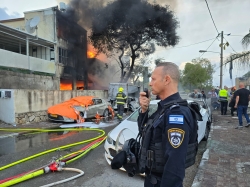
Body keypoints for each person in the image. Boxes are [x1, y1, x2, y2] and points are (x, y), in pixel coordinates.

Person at [138, 62, 197, 187]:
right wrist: (144, 111)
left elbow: (174, 167)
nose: (150, 83)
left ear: (166, 80)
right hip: (152, 180)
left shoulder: (176, 114)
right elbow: (147, 136)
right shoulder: (164, 108)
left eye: (153, 79)